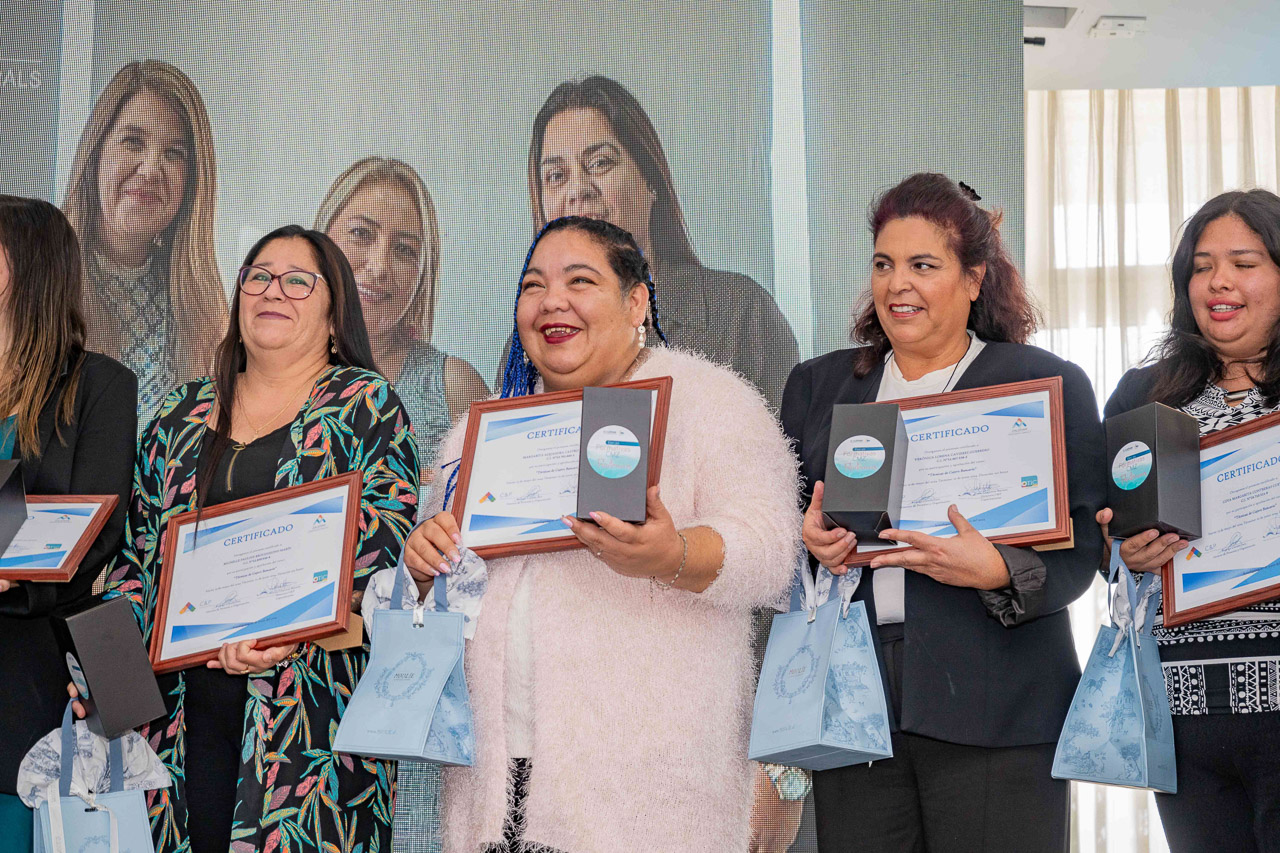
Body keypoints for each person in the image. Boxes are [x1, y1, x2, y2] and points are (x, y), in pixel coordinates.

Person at [399, 216, 799, 852]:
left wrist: (674, 554)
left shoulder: (708, 402)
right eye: (533, 285)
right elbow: (439, 611)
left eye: (579, 281)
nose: (551, 301)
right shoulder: (480, 434)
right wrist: (420, 574)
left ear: (637, 302)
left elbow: (772, 550)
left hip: (643, 803)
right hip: (494, 799)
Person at [781, 173, 1105, 853]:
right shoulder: (820, 386)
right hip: (855, 713)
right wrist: (808, 544)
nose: (898, 284)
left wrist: (999, 569)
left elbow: (1083, 555)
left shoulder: (1042, 384)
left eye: (923, 266)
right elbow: (785, 539)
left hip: (1000, 706)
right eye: (884, 264)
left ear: (974, 278)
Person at [97, 226, 420, 853]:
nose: (274, 291)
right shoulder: (181, 413)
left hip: (309, 724)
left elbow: (384, 559)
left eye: (298, 281)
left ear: (335, 316)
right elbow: (133, 566)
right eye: (259, 277)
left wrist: (287, 630)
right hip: (174, 728)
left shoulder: (365, 405)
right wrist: (107, 692)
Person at [1098, 188, 1280, 853]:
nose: (1218, 281)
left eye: (1243, 263)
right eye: (1202, 266)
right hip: (1182, 712)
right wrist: (1123, 552)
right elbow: (1103, 536)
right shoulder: (1144, 395)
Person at [525, 75, 798, 408]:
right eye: (556, 176)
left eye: (599, 164)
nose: (578, 190)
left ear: (650, 179)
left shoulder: (739, 313)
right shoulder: (530, 341)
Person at [0, 197, 136, 851]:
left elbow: (97, 531)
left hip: (34, 675)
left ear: (32, 265)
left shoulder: (99, 384)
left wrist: (14, 578)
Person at [62, 60, 226, 421]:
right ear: (95, 154)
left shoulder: (205, 314)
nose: (151, 169)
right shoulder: (37, 280)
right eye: (133, 142)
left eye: (174, 153)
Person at [316, 156, 488, 471]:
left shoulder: (454, 387)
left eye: (404, 249)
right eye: (361, 233)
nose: (379, 266)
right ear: (321, 241)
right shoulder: (273, 377)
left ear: (423, 275)